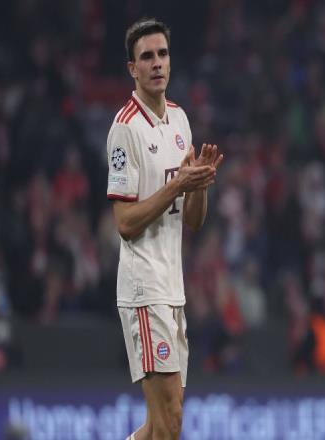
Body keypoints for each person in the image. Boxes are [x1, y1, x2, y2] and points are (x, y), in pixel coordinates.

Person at [106, 18, 223, 440]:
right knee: (170, 420)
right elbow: (124, 223)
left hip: (173, 288)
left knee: (161, 427)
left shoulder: (179, 120)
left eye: (162, 54)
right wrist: (177, 184)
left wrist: (200, 183)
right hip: (143, 287)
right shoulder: (125, 129)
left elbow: (192, 220)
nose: (157, 63)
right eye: (146, 57)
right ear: (132, 69)